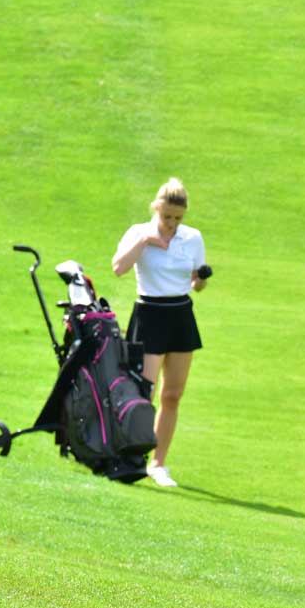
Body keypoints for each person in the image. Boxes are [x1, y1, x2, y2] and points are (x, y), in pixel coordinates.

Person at [111, 177, 209, 488]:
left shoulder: (192, 238)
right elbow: (118, 267)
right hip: (149, 314)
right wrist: (145, 243)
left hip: (180, 315)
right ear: (156, 208)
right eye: (166, 216)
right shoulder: (139, 232)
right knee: (145, 394)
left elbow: (196, 281)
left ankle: (158, 463)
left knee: (173, 394)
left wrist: (201, 281)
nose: (171, 223)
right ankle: (129, 457)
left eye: (177, 218)